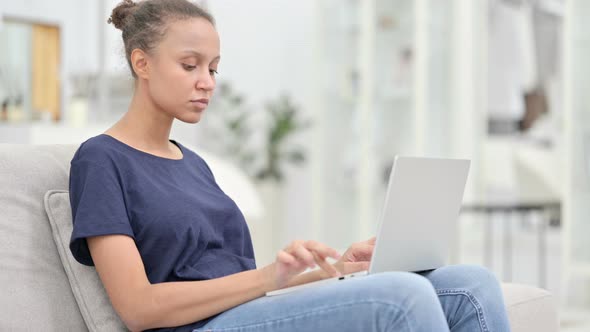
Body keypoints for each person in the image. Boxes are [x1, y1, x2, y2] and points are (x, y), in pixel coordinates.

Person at [68, 0, 512, 331]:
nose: (206, 82)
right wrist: (267, 278)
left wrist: (334, 269)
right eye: (190, 65)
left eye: (214, 69)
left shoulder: (193, 164)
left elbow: (239, 283)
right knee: (403, 296)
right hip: (196, 328)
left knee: (472, 283)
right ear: (140, 62)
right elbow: (138, 308)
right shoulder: (101, 159)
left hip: (242, 314)